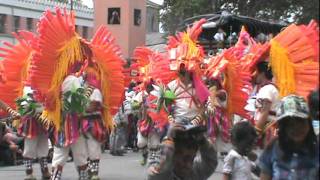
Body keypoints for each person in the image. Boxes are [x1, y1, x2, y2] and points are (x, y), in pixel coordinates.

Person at [259, 95, 319, 180]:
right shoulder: (273, 147)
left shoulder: (316, 149)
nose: (297, 128)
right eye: (290, 125)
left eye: (301, 122)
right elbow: (265, 175)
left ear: (309, 123)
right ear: (283, 128)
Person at [147, 123, 217, 180]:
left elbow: (210, 161)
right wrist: (169, 139)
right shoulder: (164, 175)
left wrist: (202, 141)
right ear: (173, 155)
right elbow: (160, 170)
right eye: (185, 159)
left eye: (191, 159)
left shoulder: (195, 172)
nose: (188, 164)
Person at [16, 86, 51, 180]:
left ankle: (45, 171)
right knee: (29, 148)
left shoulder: (44, 84)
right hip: (31, 122)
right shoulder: (27, 87)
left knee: (43, 147)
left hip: (43, 120)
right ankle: (29, 173)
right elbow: (25, 105)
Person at [253, 61, 279, 146]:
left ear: (262, 73)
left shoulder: (267, 89)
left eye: (255, 71)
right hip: (267, 129)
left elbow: (264, 112)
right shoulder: (270, 88)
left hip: (266, 131)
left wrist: (255, 133)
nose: (253, 75)